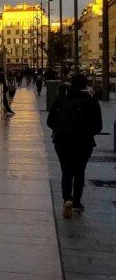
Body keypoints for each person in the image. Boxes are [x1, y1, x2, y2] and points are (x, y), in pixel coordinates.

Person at [47, 73, 103, 218]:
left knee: (66, 171)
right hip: (83, 142)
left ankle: (67, 200)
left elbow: (49, 122)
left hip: (62, 141)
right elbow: (98, 126)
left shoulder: (61, 100)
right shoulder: (91, 102)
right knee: (79, 171)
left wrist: (60, 129)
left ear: (71, 83)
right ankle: (77, 202)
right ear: (85, 85)